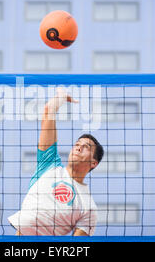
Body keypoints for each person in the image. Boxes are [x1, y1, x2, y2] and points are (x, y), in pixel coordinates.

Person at [8, 88, 104, 236]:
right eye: (77, 144)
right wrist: (61, 97)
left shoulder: (89, 206)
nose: (78, 148)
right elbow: (48, 111)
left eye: (85, 147)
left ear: (93, 163)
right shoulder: (49, 164)